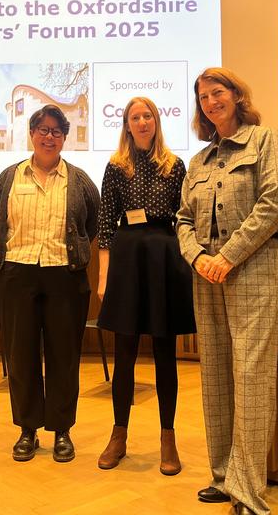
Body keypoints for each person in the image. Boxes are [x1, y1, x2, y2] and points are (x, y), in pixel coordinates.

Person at [176, 68, 278, 515]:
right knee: (217, 375)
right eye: (202, 96)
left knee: (251, 377)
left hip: (252, 269)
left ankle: (248, 490)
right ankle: (223, 475)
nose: (209, 101)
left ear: (237, 95)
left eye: (216, 92)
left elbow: (274, 202)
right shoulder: (198, 161)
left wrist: (229, 255)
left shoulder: (265, 140)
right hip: (206, 275)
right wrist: (198, 258)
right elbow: (182, 219)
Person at [0, 104, 100, 463]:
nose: (49, 137)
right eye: (42, 130)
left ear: (65, 138)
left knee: (64, 356)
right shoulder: (9, 178)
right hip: (16, 273)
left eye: (56, 132)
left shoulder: (79, 180)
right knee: (20, 356)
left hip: (64, 274)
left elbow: (90, 224)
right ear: (32, 134)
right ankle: (27, 430)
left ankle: (62, 431)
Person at [95, 97, 195, 475]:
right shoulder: (116, 167)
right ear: (126, 124)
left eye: (147, 115)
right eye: (135, 117)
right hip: (127, 260)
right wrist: (104, 276)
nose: (141, 121)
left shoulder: (175, 165)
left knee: (166, 354)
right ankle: (118, 435)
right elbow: (105, 223)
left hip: (166, 260)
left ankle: (167, 439)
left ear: (156, 121)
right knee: (124, 354)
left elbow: (185, 219)